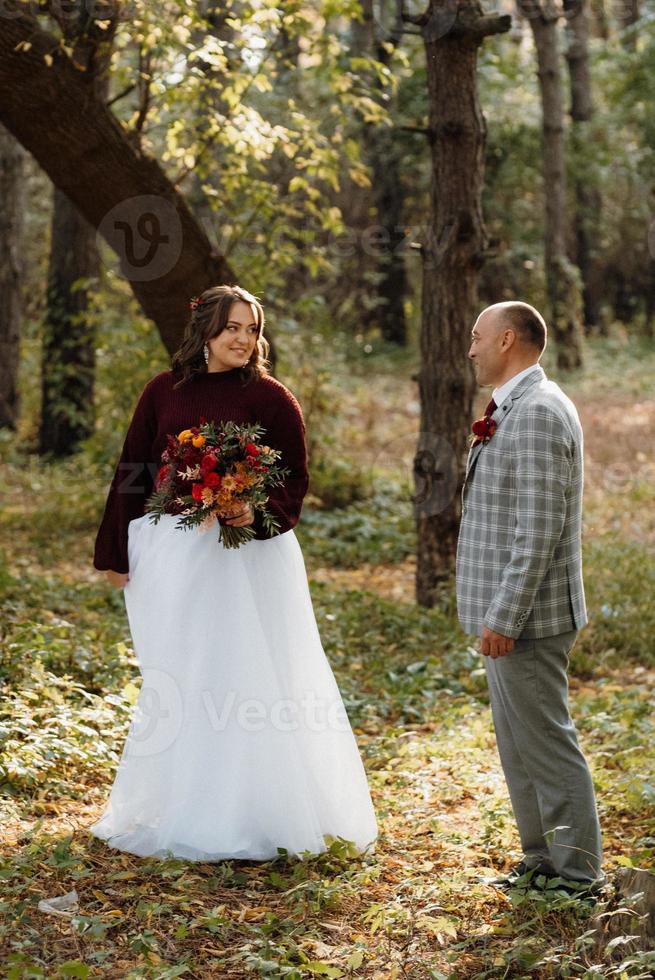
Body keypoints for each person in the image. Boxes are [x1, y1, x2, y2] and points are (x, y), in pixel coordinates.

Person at [89, 284, 378, 862]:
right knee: (187, 672)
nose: (244, 340)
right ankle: (188, 803)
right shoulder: (162, 392)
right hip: (178, 554)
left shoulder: (272, 399)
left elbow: (293, 479)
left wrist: (254, 510)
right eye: (233, 329)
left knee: (255, 673)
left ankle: (260, 808)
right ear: (205, 332)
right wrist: (114, 552)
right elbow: (134, 468)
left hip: (251, 557)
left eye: (252, 329)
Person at [456, 300, 603, 894]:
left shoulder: (539, 411)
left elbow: (538, 528)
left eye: (476, 337)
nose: (469, 348)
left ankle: (577, 872)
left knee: (546, 743)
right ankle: (541, 859)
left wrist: (506, 616)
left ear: (506, 340)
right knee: (519, 746)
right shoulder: (513, 406)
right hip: (507, 613)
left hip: (528, 618)